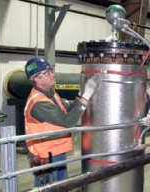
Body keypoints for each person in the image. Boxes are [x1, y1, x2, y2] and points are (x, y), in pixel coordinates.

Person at [24, 57, 99, 187]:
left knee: (62, 187)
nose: (53, 74)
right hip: (45, 157)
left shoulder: (51, 94)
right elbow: (68, 121)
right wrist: (86, 96)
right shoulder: (38, 103)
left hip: (57, 151)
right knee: (48, 188)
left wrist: (81, 95)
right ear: (37, 78)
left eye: (51, 70)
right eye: (47, 73)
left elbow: (67, 109)